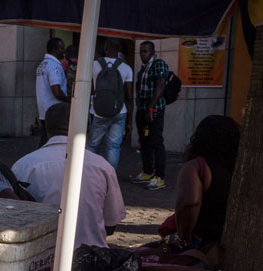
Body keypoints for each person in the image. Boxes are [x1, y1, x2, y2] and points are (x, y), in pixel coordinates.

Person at [13, 103, 126, 248]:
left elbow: (16, 224)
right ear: (85, 128)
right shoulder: (102, 166)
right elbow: (111, 224)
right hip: (92, 258)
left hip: (40, 259)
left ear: (46, 128)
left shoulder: (24, 166)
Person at [168, 115, 240, 250]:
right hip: (232, 241)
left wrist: (183, 237)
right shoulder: (241, 167)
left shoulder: (197, 167)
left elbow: (190, 203)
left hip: (202, 242)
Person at [86, 38, 133, 169]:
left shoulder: (94, 65)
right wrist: (129, 121)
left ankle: (88, 174)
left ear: (105, 48)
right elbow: (129, 97)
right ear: (119, 51)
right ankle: (110, 177)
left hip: (98, 111)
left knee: (93, 145)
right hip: (120, 112)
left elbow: (90, 90)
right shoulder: (126, 68)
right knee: (113, 146)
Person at [133, 41, 169, 191]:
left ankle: (159, 177)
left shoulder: (158, 64)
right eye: (141, 51)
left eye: (145, 51)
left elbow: (160, 86)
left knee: (156, 142)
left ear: (152, 52)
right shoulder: (143, 68)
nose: (143, 54)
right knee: (144, 141)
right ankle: (147, 171)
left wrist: (151, 108)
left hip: (154, 111)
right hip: (142, 110)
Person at [35, 37, 68, 147]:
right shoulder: (54, 66)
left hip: (44, 110)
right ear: (54, 49)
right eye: (61, 48)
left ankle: (38, 161)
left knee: (45, 141)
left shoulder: (42, 65)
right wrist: (70, 101)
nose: (64, 51)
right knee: (52, 143)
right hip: (54, 112)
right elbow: (57, 92)